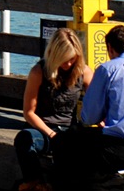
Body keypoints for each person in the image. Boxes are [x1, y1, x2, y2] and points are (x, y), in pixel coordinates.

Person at [55, 25, 124, 182]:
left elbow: (89, 118)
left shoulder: (107, 69)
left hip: (119, 152)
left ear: (109, 48)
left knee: (66, 140)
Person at [14, 28, 93, 185]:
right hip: (43, 130)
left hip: (69, 130)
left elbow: (97, 104)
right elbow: (29, 112)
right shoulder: (38, 72)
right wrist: (51, 134)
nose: (68, 63)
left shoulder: (83, 71)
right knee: (24, 140)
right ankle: (35, 184)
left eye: (72, 59)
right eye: (64, 59)